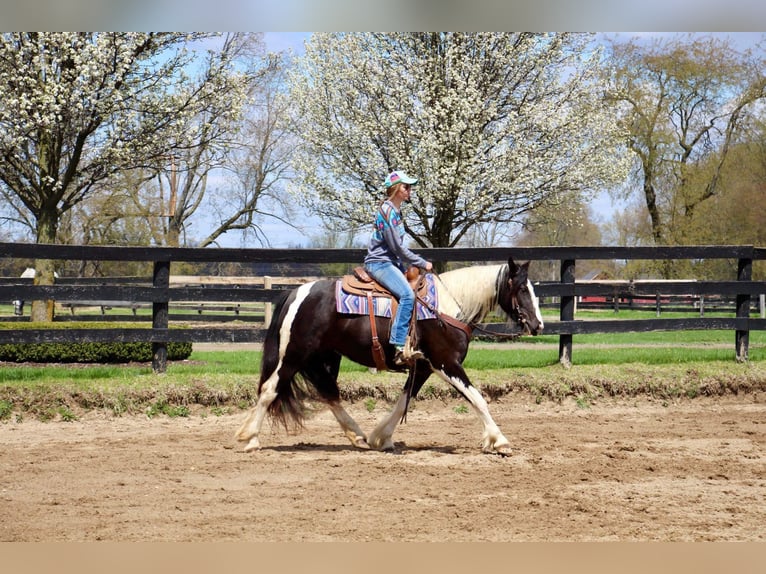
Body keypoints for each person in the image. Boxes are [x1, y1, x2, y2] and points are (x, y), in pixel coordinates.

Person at [364, 170, 433, 365]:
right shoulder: (387, 212)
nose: (409, 190)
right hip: (380, 263)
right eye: (406, 186)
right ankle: (398, 345)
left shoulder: (395, 211)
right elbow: (397, 248)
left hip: (391, 263)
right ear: (395, 189)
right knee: (407, 295)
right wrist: (421, 262)